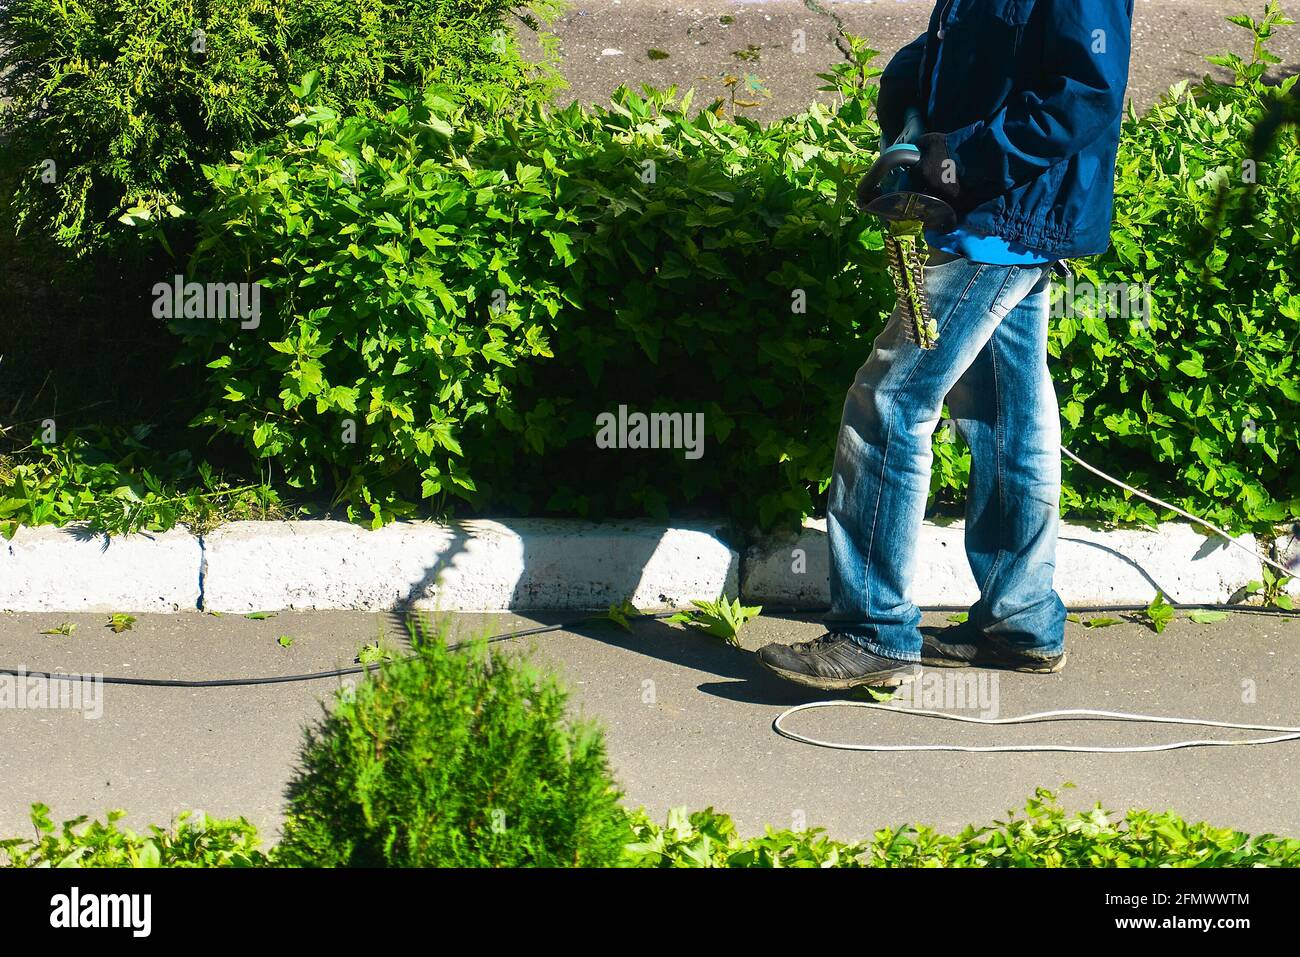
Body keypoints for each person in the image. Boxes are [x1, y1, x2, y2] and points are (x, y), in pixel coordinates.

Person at [757, 0, 1134, 690]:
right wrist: (910, 76)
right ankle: (1019, 621)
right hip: (987, 214)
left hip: (1005, 220)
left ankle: (873, 632)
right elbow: (978, 41)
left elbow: (1085, 93)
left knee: (890, 402)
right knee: (1003, 416)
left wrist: (963, 157)